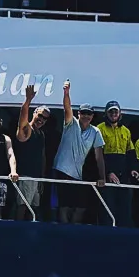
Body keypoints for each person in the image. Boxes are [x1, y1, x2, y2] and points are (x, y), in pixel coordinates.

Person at [50, 80, 106, 224]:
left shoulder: (96, 131)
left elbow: (99, 157)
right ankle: (63, 232)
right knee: (64, 205)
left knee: (80, 207)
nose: (86, 116)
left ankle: (72, 232)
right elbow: (67, 107)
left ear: (92, 116)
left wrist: (102, 177)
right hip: (61, 169)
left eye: (89, 114)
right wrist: (66, 93)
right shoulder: (71, 123)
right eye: (83, 113)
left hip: (78, 174)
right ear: (79, 114)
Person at [96, 100, 135, 227]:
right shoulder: (99, 128)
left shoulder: (126, 131)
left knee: (125, 208)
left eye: (115, 111)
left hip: (123, 174)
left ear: (120, 114)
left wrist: (133, 169)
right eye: (111, 111)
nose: (113, 114)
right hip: (107, 174)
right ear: (106, 113)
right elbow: (98, 154)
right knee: (107, 208)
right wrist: (107, 173)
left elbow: (130, 153)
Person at [15, 85, 49, 221]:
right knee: (22, 206)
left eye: (45, 118)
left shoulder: (41, 134)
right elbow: (22, 119)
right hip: (25, 175)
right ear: (34, 113)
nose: (41, 119)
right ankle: (17, 231)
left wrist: (42, 177)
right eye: (40, 115)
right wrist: (28, 100)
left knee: (34, 208)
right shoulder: (27, 129)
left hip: (36, 177)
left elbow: (43, 156)